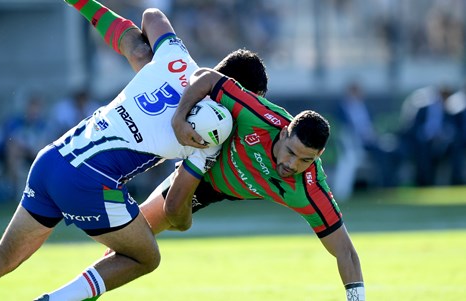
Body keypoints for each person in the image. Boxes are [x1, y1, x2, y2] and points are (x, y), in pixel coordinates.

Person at [0, 2, 267, 300]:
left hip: (53, 158)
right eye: (252, 101)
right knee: (146, 256)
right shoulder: (212, 128)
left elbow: (151, 17)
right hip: (90, 181)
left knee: (2, 257)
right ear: (236, 92)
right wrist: (183, 221)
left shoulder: (178, 61)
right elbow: (174, 207)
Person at [71, 2, 365, 300]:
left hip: (210, 179)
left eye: (305, 159)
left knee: (137, 240)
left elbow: (346, 251)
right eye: (292, 152)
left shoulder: (302, 178)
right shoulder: (188, 79)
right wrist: (178, 118)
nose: (292, 164)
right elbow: (153, 16)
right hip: (144, 148)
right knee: (142, 242)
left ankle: (77, 292)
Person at [0, 93, 53, 197]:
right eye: (32, 107)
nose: (34, 111)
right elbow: (11, 142)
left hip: (33, 155)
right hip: (16, 155)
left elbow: (45, 144)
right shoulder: (16, 122)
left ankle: (42, 192)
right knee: (14, 152)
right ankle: (13, 189)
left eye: (37, 108)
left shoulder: (43, 125)